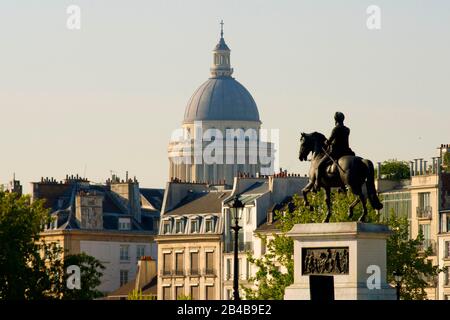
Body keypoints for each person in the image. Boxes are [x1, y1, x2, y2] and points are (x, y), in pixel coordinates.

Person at [315, 112, 355, 190]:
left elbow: (330, 140)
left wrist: (326, 142)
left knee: (319, 166)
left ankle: (318, 185)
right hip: (346, 151)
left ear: (335, 120)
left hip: (336, 152)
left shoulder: (336, 128)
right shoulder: (347, 129)